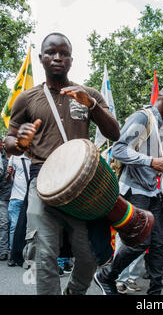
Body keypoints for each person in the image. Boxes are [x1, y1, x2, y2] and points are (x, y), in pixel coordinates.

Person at [4, 33, 120, 295]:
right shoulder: (26, 99)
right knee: (43, 251)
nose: (57, 58)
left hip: (81, 186)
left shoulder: (87, 94)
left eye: (64, 53)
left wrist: (93, 106)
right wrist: (20, 142)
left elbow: (115, 133)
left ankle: (74, 292)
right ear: (42, 58)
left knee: (89, 252)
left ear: (71, 59)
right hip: (41, 180)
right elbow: (9, 141)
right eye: (51, 53)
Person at [94, 85, 163, 295]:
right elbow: (119, 148)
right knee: (139, 242)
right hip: (134, 191)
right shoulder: (143, 118)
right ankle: (106, 276)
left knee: (159, 243)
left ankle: (155, 293)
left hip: (152, 192)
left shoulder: (162, 125)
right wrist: (151, 161)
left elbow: (149, 155)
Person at [6, 154, 30, 267]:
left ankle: (25, 255)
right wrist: (9, 174)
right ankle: (12, 255)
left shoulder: (36, 155)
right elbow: (9, 180)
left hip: (30, 197)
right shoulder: (14, 157)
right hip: (16, 197)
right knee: (14, 227)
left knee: (28, 228)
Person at [0, 138, 12, 261]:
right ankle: (3, 251)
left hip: (13, 195)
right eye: (2, 143)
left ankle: (7, 248)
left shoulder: (14, 157)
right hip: (3, 195)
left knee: (9, 224)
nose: (3, 145)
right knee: (4, 223)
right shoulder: (1, 159)